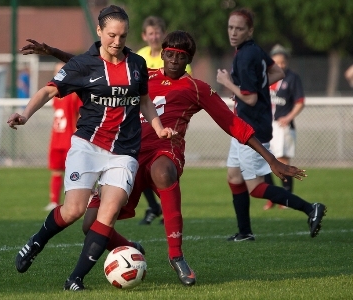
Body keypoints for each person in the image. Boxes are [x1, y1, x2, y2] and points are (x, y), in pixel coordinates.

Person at [20, 30, 308, 287]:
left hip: (165, 150)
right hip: (126, 153)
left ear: (188, 59)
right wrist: (53, 52)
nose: (172, 59)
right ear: (162, 54)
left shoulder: (197, 88)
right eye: (168, 53)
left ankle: (177, 256)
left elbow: (232, 124)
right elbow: (97, 70)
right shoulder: (144, 73)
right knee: (89, 223)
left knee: (162, 171)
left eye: (180, 56)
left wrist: (271, 160)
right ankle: (132, 248)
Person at [8, 5, 176, 292]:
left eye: (122, 36)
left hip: (124, 152)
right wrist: (25, 114)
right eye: (111, 35)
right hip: (87, 146)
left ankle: (75, 279)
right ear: (99, 32)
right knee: (73, 211)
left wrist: (158, 127)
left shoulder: (135, 64)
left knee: (107, 213)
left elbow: (145, 99)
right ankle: (36, 241)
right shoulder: (83, 65)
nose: (117, 41)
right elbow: (49, 89)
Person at [216, 7, 326, 242]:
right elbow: (276, 72)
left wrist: (228, 83)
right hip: (243, 125)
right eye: (230, 27)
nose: (233, 33)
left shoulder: (246, 56)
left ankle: (310, 208)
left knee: (255, 187)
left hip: (250, 128)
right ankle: (244, 232)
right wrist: (251, 89)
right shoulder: (252, 49)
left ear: (250, 30)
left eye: (239, 29)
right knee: (234, 177)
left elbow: (251, 98)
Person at [136, 16, 192, 225]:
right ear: (144, 36)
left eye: (157, 32)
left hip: (169, 122)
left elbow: (185, 86)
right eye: (150, 33)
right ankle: (155, 206)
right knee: (136, 166)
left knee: (164, 166)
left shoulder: (173, 57)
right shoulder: (139, 56)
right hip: (143, 118)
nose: (154, 36)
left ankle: (168, 207)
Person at [263, 44, 305, 210]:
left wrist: (288, 117)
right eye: (277, 62)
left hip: (283, 127)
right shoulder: (266, 77)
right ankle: (273, 197)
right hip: (266, 124)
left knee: (282, 161)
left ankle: (287, 199)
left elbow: (300, 102)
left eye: (283, 62)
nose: (280, 65)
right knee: (264, 161)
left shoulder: (292, 78)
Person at [44, 62, 83, 211]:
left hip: (70, 139)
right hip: (56, 138)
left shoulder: (74, 93)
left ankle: (80, 199)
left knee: (75, 172)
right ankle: (54, 202)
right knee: (56, 170)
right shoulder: (54, 92)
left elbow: (80, 114)